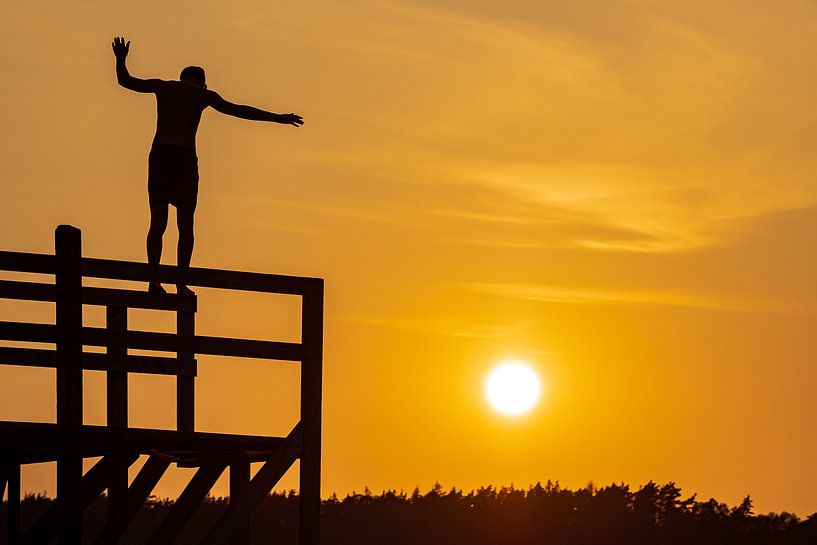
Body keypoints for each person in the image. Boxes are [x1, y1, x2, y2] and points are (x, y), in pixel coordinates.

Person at [112, 36, 304, 295]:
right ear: (201, 83)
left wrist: (120, 59)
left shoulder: (163, 87)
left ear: (182, 79)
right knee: (185, 224)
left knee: (158, 222)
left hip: (160, 156)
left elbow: (126, 81)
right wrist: (278, 118)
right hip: (183, 160)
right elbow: (239, 110)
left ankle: (153, 281)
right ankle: (180, 283)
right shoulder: (203, 95)